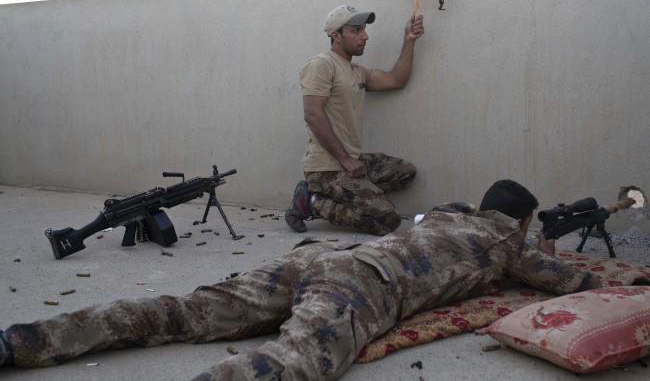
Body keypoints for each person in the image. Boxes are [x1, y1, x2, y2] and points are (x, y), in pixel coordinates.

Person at [0, 179, 602, 380]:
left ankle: (22, 341)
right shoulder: (504, 242)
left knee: (178, 311)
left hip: (314, 258)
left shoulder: (448, 215)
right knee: (292, 366)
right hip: (362, 280)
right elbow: (573, 284)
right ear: (520, 222)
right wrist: (541, 249)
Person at [285, 5, 425, 235]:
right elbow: (312, 114)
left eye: (364, 30)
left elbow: (395, 80)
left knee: (404, 172)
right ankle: (312, 202)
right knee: (388, 221)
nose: (365, 36)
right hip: (326, 168)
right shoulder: (322, 64)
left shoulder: (357, 71)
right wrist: (345, 160)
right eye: (356, 30)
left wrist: (409, 40)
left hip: (351, 161)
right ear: (336, 36)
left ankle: (341, 195)